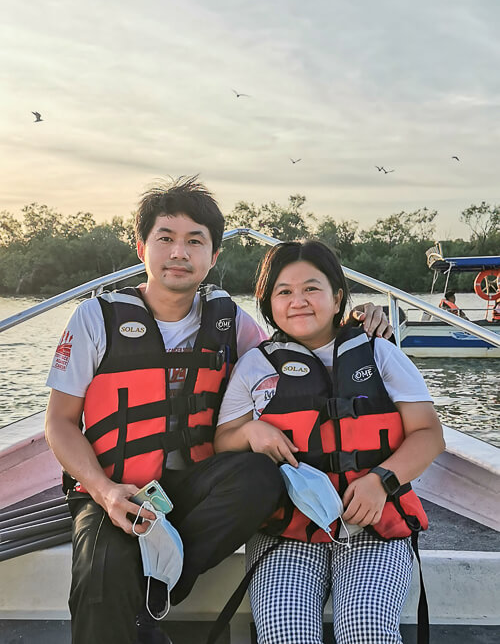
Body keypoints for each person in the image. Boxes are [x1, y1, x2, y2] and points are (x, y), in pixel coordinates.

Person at [45, 178, 391, 644]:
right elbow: (59, 424)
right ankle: (143, 598)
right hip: (114, 486)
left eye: (195, 241)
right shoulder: (95, 318)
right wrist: (106, 492)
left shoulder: (230, 323)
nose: (179, 252)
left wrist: (351, 322)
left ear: (214, 255)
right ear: (141, 245)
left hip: (194, 488)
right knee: (101, 577)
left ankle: (159, 583)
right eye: (165, 238)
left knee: (260, 478)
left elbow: (297, 353)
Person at [215, 240, 445, 644]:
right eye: (284, 291)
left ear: (338, 296)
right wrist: (250, 431)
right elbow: (223, 441)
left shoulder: (379, 352)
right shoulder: (256, 365)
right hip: (285, 530)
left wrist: (381, 481)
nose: (298, 301)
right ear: (268, 302)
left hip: (372, 524)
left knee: (366, 628)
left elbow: (429, 434)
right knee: (285, 633)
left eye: (311, 288)